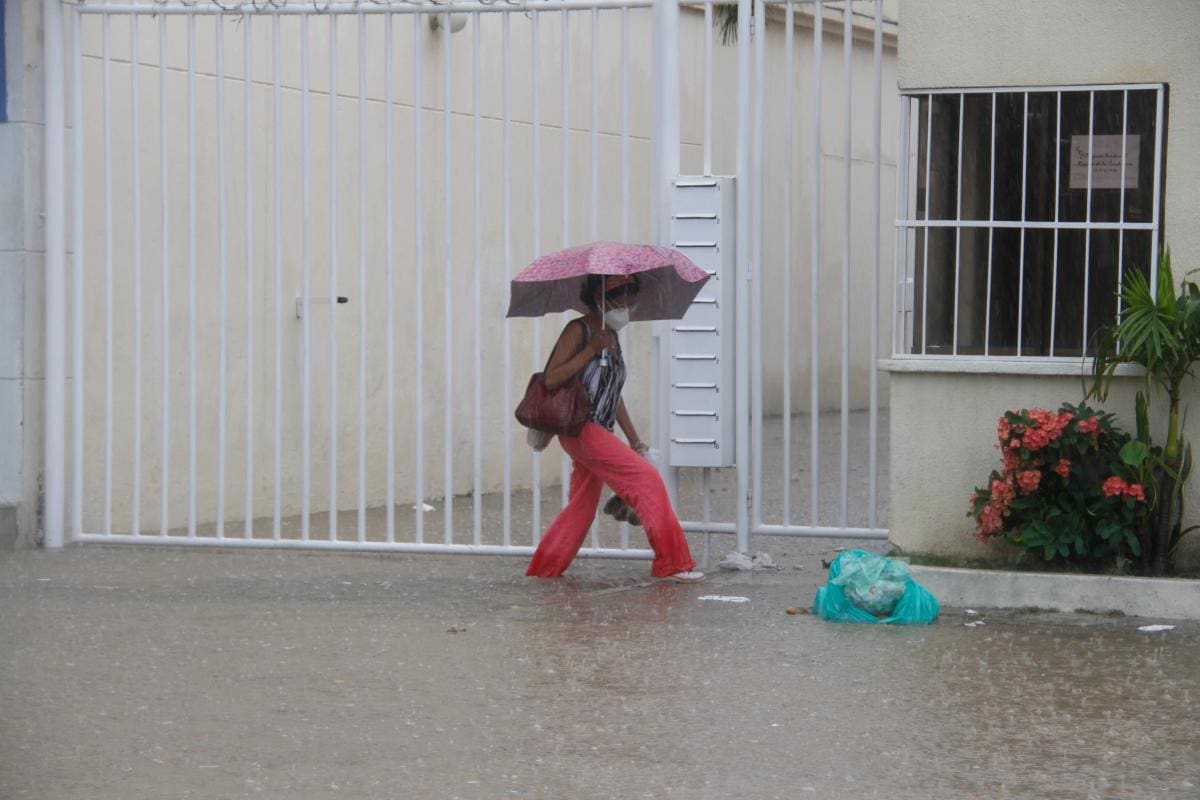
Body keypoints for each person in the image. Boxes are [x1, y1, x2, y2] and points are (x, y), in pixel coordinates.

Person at [525, 274, 704, 582]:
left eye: (632, 298)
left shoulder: (611, 334)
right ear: (601, 298)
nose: (629, 307)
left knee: (582, 503)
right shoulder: (579, 330)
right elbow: (552, 378)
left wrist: (634, 440)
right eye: (624, 299)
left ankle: (545, 569)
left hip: (598, 429)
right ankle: (672, 563)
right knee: (645, 479)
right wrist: (591, 350)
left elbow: (612, 394)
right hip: (581, 429)